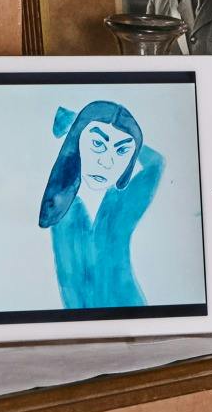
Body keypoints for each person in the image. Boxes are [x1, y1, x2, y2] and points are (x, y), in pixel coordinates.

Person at [38, 99, 163, 308]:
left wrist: (73, 120)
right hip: (79, 327)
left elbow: (156, 163)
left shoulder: (123, 198)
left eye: (122, 151)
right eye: (98, 144)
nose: (107, 162)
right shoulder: (59, 204)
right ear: (76, 139)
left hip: (132, 313)